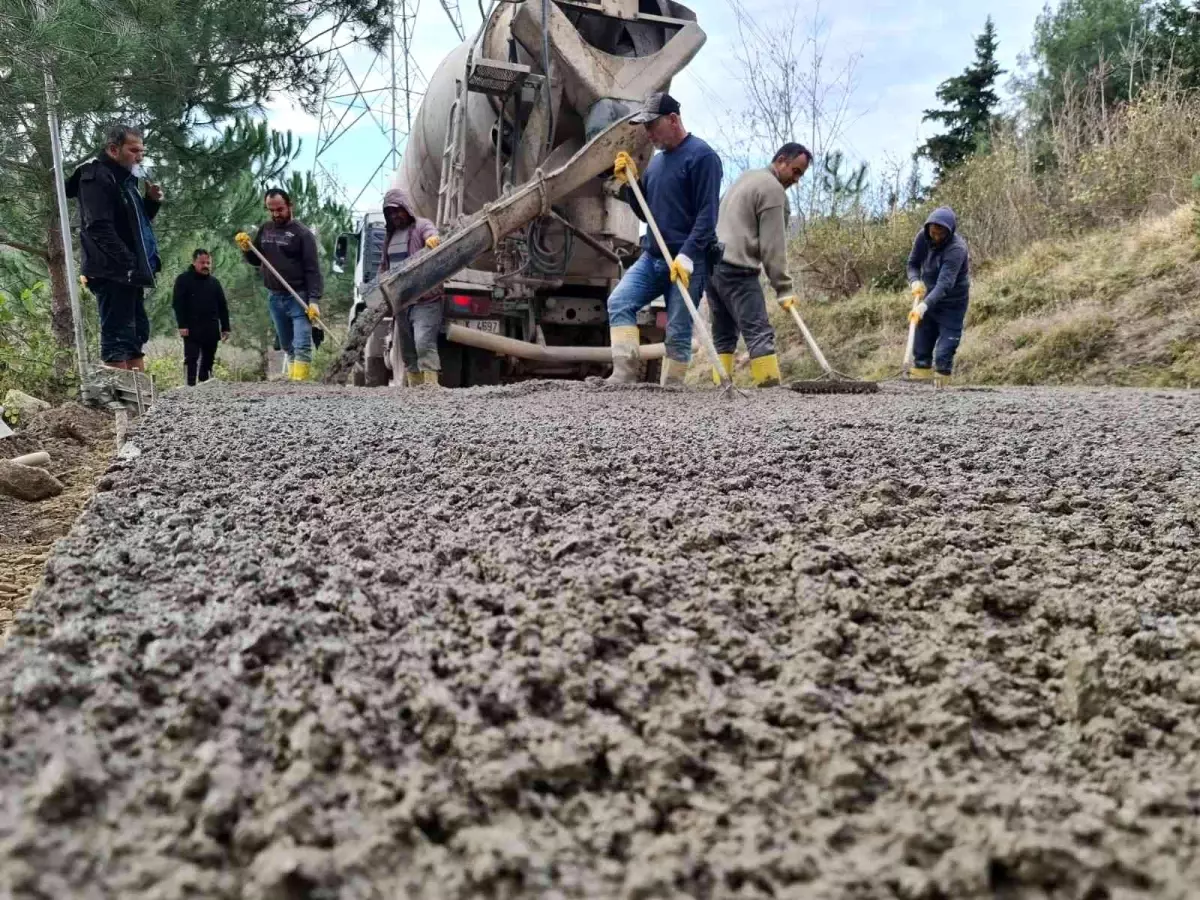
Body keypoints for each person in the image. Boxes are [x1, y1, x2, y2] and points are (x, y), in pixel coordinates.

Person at [606, 92, 723, 385]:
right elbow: (648, 215)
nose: (648, 133)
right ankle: (624, 374)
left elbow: (707, 217)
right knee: (619, 301)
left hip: (688, 261)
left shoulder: (702, 157)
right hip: (654, 257)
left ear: (673, 120)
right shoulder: (657, 164)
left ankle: (672, 390)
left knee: (678, 329)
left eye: (652, 125)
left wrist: (686, 255)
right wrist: (630, 184)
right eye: (644, 127)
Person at [709, 142, 812, 388]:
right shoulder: (773, 190)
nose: (796, 180)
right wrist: (783, 288)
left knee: (723, 336)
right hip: (737, 269)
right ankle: (770, 395)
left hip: (712, 268)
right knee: (759, 334)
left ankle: (719, 391)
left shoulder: (746, 178)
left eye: (800, 175)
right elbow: (772, 247)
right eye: (795, 171)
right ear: (781, 161)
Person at [65, 124, 164, 370]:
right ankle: (120, 401)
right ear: (113, 149)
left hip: (131, 270)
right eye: (133, 150)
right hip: (111, 270)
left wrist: (150, 203)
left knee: (136, 334)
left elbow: (133, 225)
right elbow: (98, 226)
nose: (139, 156)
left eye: (142, 151)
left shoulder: (126, 179)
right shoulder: (96, 176)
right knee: (117, 336)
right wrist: (128, 262)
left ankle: (142, 401)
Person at [238, 189, 323, 381]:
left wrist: (314, 300)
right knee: (287, 345)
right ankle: (293, 385)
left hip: (298, 296)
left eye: (280, 209)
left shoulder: (303, 234)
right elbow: (256, 259)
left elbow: (313, 270)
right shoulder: (266, 229)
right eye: (271, 210)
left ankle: (300, 384)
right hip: (274, 297)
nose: (276, 214)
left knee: (301, 344)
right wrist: (246, 248)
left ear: (290, 206)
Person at [377, 187, 442, 387]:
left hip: (424, 299)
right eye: (391, 213)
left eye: (398, 210)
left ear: (406, 208)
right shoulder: (390, 236)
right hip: (402, 303)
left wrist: (432, 239)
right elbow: (384, 266)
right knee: (407, 350)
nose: (395, 215)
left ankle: (430, 388)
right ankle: (415, 390)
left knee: (423, 342)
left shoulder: (422, 226)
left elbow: (431, 233)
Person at [906, 207, 970, 387]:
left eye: (941, 234)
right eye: (933, 233)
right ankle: (919, 393)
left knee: (943, 353)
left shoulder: (956, 249)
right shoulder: (922, 237)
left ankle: (942, 397)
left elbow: (944, 285)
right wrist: (914, 281)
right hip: (929, 299)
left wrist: (922, 307)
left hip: (952, 303)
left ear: (949, 231)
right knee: (921, 350)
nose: (936, 237)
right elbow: (912, 263)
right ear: (928, 229)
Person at [172, 249, 231, 386]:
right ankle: (189, 385)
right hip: (191, 327)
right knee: (191, 358)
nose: (205, 265)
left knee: (209, 359)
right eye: (202, 262)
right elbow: (178, 304)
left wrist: (226, 327)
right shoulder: (183, 280)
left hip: (211, 326)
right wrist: (182, 325)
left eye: (208, 263)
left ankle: (205, 385)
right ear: (194, 262)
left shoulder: (214, 283)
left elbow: (222, 306)